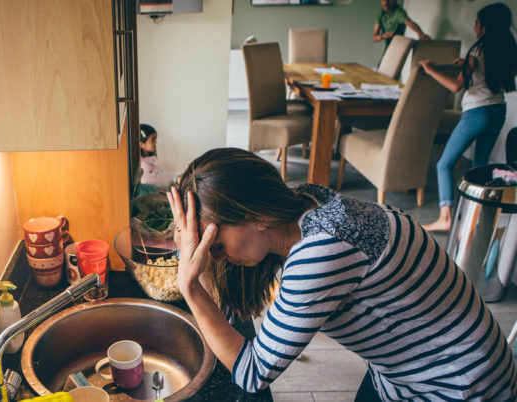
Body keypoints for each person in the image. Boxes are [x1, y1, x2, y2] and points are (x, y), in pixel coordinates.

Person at [166, 147, 516, 400]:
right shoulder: (305, 201)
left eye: (214, 245)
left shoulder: (319, 254)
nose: (218, 259)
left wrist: (189, 284)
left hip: (458, 382)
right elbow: (224, 319)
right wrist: (198, 255)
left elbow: (251, 373)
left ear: (257, 216)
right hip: (401, 370)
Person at [419, 2, 517, 232]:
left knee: (444, 164)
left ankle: (445, 218)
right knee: (480, 165)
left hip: (477, 113)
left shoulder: (477, 51)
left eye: (476, 23)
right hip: (497, 111)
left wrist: (430, 69)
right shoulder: (507, 49)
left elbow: (455, 87)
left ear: (485, 27)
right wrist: (467, 65)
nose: (474, 28)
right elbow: (493, 74)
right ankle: (476, 216)